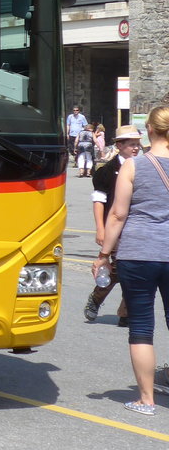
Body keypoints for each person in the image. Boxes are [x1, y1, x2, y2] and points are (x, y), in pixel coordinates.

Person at [92, 105, 169, 416]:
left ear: (149, 130)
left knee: (140, 325)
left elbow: (119, 213)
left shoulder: (134, 165)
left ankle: (146, 399)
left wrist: (104, 254)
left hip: (138, 251)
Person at [84, 124, 141, 324]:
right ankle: (97, 298)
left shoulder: (144, 166)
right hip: (114, 226)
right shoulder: (106, 171)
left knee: (134, 269)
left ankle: (126, 313)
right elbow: (99, 201)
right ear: (119, 145)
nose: (136, 148)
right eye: (131, 144)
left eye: (138, 144)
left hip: (137, 227)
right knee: (117, 269)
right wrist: (101, 228)